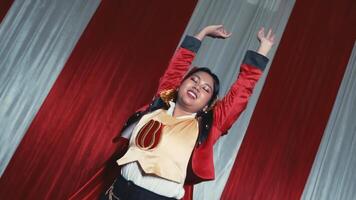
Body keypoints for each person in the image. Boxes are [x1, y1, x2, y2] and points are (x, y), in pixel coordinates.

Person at [100, 25, 275, 200]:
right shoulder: (162, 101)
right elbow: (177, 66)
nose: (197, 87)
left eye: (205, 89)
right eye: (194, 80)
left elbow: (241, 92)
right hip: (117, 192)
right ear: (181, 84)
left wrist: (264, 48)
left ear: (208, 104)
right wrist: (203, 33)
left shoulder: (210, 124)